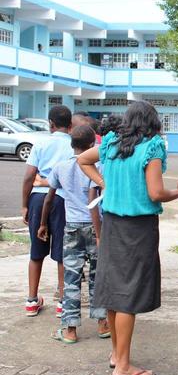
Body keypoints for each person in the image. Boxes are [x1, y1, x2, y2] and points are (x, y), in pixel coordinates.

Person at [78, 101, 178, 375]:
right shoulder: (152, 146)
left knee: (113, 292)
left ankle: (116, 355)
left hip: (112, 224)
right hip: (138, 228)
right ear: (153, 121)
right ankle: (123, 367)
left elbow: (82, 159)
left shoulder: (111, 142)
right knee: (128, 296)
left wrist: (105, 183)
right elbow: (155, 193)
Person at [37, 125, 109, 343]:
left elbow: (50, 197)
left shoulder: (61, 167)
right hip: (96, 227)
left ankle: (70, 330)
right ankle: (102, 323)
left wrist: (43, 224)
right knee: (98, 276)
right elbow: (96, 198)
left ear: (71, 144)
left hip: (72, 227)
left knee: (71, 279)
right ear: (92, 144)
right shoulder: (98, 166)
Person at [21, 105, 74, 318]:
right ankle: (62, 302)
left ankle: (32, 300)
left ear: (50, 124)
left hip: (38, 198)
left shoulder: (41, 143)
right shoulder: (73, 145)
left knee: (36, 250)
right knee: (62, 252)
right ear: (70, 125)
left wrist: (25, 204)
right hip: (62, 200)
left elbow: (29, 176)